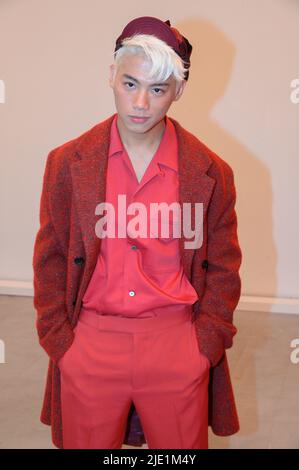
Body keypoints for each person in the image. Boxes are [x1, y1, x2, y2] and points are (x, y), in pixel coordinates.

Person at [32, 16, 242, 449]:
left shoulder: (211, 172)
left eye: (158, 89)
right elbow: (50, 256)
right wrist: (61, 342)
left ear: (178, 92)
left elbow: (224, 267)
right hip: (90, 342)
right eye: (130, 84)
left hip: (176, 343)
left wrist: (205, 344)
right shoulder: (67, 163)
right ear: (112, 76)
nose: (141, 102)